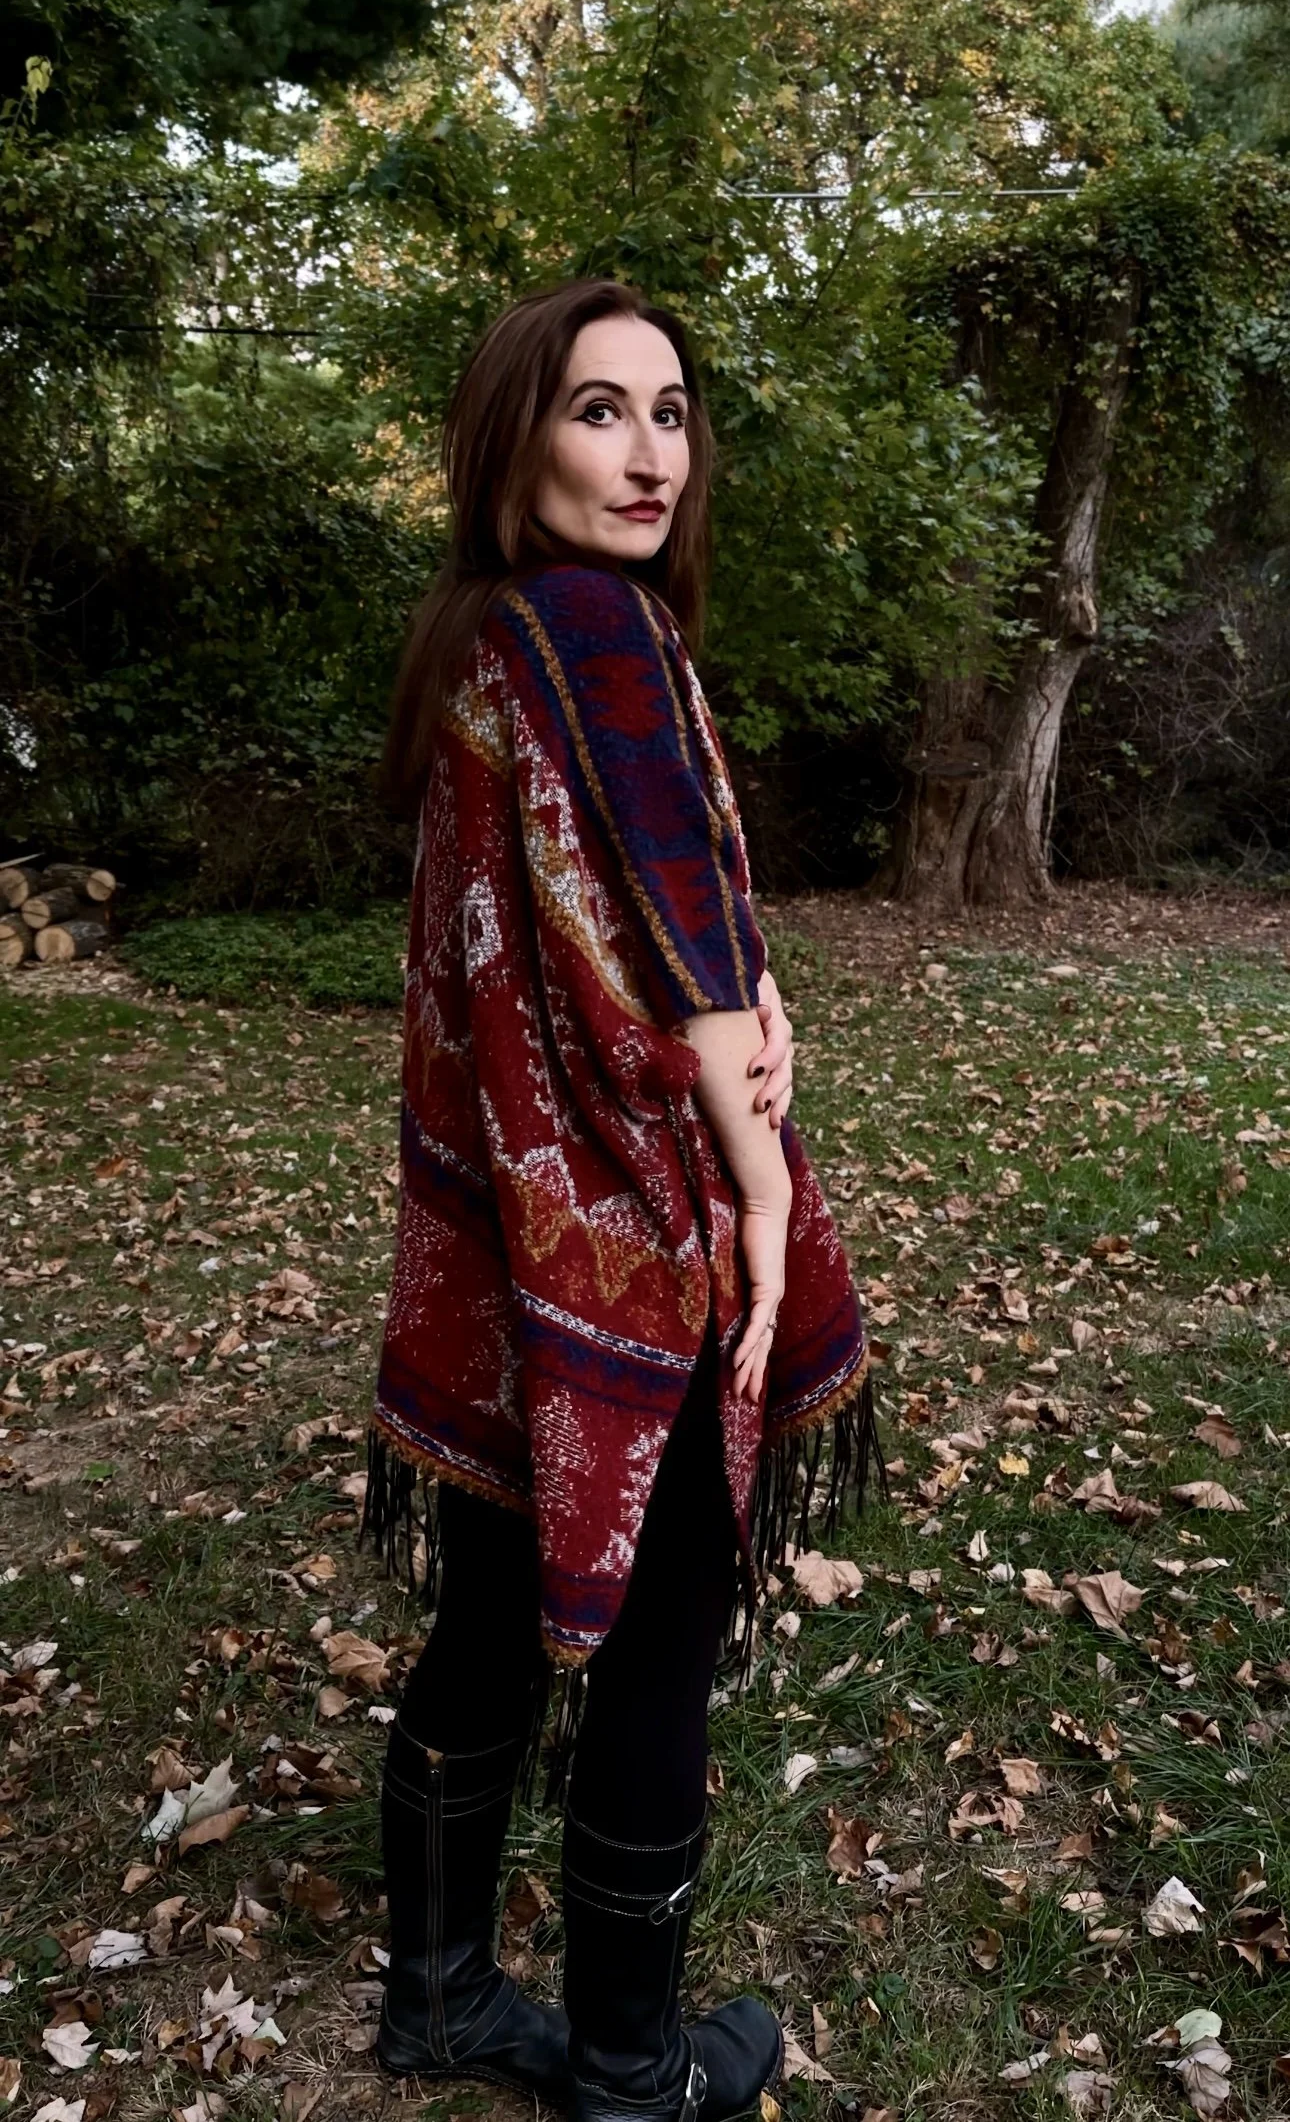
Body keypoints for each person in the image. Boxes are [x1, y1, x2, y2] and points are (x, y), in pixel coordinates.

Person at [364, 277, 878, 2122]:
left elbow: (655, 918)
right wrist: (754, 1201)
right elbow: (666, 930)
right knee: (662, 1636)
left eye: (670, 411)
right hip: (629, 1226)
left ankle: (432, 2000)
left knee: (497, 1591)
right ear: (513, 437)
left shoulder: (487, 641)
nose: (649, 452)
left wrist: (758, 999)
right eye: (598, 410)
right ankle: (630, 2076)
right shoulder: (596, 631)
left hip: (514, 1234)